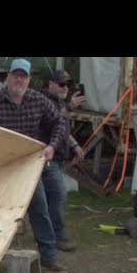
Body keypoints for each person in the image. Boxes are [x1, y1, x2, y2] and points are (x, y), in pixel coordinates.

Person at [0, 58, 68, 273]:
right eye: (15, 75)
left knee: (40, 209)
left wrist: (52, 146)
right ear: (8, 77)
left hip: (28, 167)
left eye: (23, 76)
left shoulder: (38, 100)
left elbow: (59, 123)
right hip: (1, 168)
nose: (19, 79)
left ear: (29, 79)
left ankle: (49, 256)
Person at [39, 69, 86, 251]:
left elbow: (61, 129)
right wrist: (69, 108)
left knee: (49, 197)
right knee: (58, 195)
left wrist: (75, 145)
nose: (64, 88)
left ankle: (49, 234)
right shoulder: (42, 100)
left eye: (67, 85)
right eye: (61, 84)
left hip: (56, 157)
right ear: (51, 83)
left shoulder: (59, 102)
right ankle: (57, 236)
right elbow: (58, 119)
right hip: (46, 156)